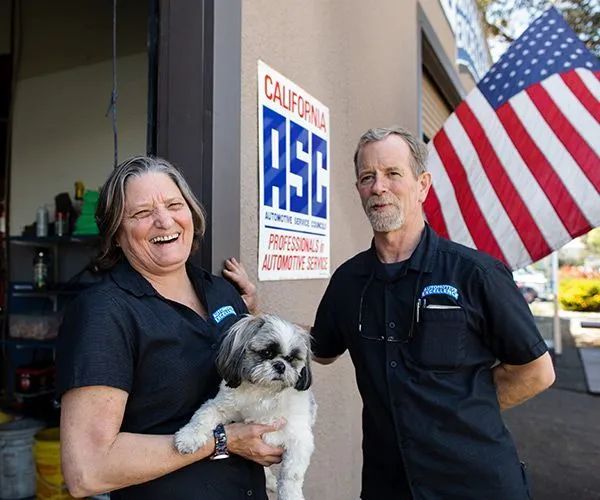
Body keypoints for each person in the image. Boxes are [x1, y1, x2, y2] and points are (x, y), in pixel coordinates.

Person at [228, 126, 556, 499]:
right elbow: (319, 346)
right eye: (368, 177)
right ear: (358, 190)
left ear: (422, 185)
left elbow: (537, 371)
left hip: (475, 482)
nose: (379, 187)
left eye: (393, 174)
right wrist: (261, 319)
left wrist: (465, 408)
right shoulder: (349, 281)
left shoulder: (476, 275)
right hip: (389, 484)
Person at [56, 156, 284, 500]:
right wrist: (225, 440)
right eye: (141, 213)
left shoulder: (221, 291)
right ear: (116, 235)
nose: (164, 221)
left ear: (191, 213)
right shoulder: (104, 313)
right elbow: (87, 469)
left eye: (174, 205)